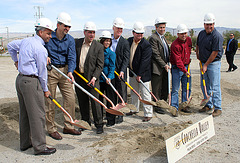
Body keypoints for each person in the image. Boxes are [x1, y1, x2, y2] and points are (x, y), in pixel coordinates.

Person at [7, 18, 56, 155]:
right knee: (38, 115)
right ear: (40, 32)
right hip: (31, 82)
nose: (50, 36)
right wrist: (45, 89)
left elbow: (10, 46)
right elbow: (42, 72)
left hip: (20, 80)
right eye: (48, 33)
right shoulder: (40, 49)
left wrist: (16, 61)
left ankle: (25, 143)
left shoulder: (25, 41)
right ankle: (40, 147)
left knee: (25, 113)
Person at [45, 12, 81, 140]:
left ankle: (68, 126)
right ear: (58, 25)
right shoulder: (49, 37)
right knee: (50, 100)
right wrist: (46, 56)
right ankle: (51, 128)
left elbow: (72, 57)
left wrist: (70, 71)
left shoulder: (70, 39)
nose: (67, 29)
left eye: (69, 27)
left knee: (70, 99)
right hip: (51, 71)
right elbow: (42, 49)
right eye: (65, 26)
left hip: (65, 71)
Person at [74, 21, 104, 134]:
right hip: (79, 78)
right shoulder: (77, 43)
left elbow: (100, 65)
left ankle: (99, 124)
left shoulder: (98, 47)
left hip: (92, 79)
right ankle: (86, 122)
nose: (91, 35)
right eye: (89, 32)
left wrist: (94, 77)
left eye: (93, 32)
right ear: (84, 32)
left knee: (95, 102)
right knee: (82, 102)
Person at [196, 13, 224, 117]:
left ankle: (218, 108)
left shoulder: (216, 36)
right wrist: (198, 54)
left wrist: (206, 64)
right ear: (204, 24)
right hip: (203, 63)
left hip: (213, 64)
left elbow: (215, 52)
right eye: (207, 24)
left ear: (214, 24)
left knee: (215, 86)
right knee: (205, 85)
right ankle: (208, 104)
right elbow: (198, 44)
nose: (209, 26)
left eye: (211, 24)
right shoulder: (201, 34)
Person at [127, 22, 153, 122]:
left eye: (141, 33)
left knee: (145, 94)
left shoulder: (146, 45)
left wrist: (140, 74)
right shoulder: (129, 41)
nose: (140, 35)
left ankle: (148, 113)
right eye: (138, 33)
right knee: (134, 92)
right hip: (132, 73)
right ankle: (134, 109)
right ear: (133, 32)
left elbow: (145, 61)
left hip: (143, 75)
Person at [149, 17, 171, 115]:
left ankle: (163, 104)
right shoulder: (153, 38)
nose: (162, 29)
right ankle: (157, 106)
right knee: (156, 88)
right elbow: (155, 54)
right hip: (157, 68)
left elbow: (166, 52)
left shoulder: (163, 38)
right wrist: (164, 65)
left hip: (165, 67)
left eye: (163, 27)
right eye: (160, 27)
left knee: (164, 86)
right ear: (156, 27)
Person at [110, 17, 130, 124]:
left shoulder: (124, 43)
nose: (119, 31)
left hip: (120, 72)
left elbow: (126, 59)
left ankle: (121, 114)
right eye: (118, 28)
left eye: (121, 29)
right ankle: (113, 113)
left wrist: (122, 70)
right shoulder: (108, 40)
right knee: (112, 92)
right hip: (110, 72)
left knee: (121, 93)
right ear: (113, 28)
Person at [170, 24, 192, 116]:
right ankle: (174, 107)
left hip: (187, 66)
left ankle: (184, 105)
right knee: (175, 89)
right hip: (177, 69)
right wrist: (184, 70)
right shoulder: (175, 45)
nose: (184, 35)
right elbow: (178, 60)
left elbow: (189, 50)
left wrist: (187, 63)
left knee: (186, 87)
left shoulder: (189, 40)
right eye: (181, 33)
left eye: (185, 33)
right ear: (178, 34)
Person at [99, 31, 116, 127]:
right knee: (100, 99)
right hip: (100, 79)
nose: (107, 43)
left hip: (108, 79)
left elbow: (112, 67)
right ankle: (100, 118)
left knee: (110, 100)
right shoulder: (98, 52)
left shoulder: (111, 54)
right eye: (105, 41)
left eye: (109, 41)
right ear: (101, 41)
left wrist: (109, 76)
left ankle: (111, 119)